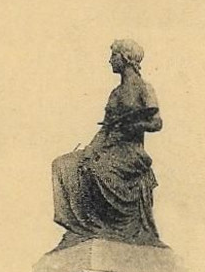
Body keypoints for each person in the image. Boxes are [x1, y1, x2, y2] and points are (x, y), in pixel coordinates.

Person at [52, 40, 163, 247]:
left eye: (114, 55)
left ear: (126, 58)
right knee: (63, 165)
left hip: (130, 152)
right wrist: (89, 150)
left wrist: (134, 125)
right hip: (108, 147)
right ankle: (82, 228)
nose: (110, 60)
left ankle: (100, 227)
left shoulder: (144, 88)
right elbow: (105, 129)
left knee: (96, 168)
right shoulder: (114, 93)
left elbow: (156, 122)